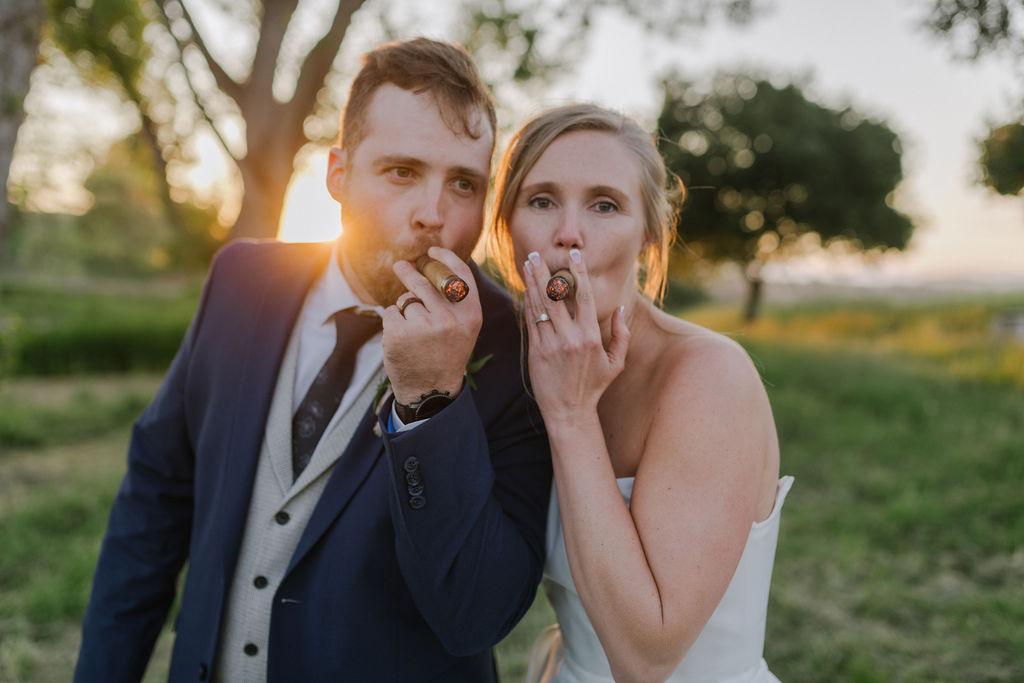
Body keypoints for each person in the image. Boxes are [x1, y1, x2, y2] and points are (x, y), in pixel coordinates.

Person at [74, 38, 552, 682]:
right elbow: (155, 500)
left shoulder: (518, 350)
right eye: (402, 172)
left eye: (463, 183)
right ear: (337, 175)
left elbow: (477, 616)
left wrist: (434, 401)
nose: (433, 215)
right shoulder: (241, 280)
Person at [489, 103, 793, 682]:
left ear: (649, 233)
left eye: (604, 205)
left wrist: (571, 414)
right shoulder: (528, 362)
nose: (568, 234)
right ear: (507, 226)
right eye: (542, 201)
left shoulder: (710, 376)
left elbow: (645, 658)